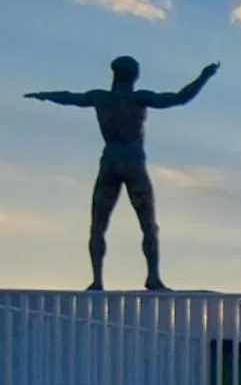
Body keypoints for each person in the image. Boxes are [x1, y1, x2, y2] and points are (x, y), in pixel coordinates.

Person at [24, 56, 219, 290]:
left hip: (110, 161)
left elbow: (69, 97)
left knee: (98, 225)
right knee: (148, 224)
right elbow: (179, 98)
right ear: (134, 76)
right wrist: (204, 76)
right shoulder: (138, 98)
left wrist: (44, 95)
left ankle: (97, 280)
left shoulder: (100, 98)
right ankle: (153, 277)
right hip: (132, 161)